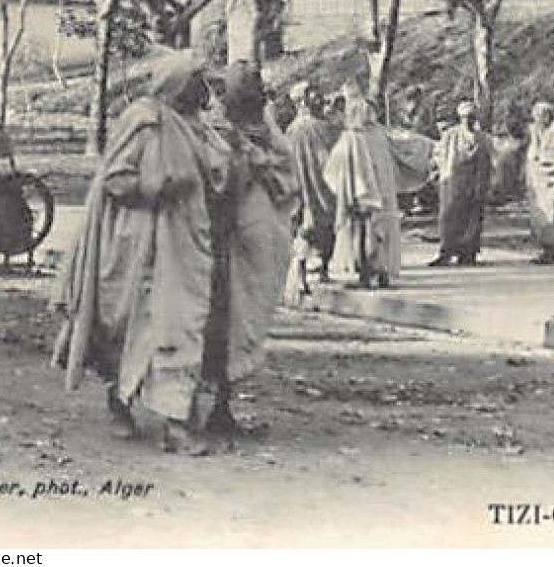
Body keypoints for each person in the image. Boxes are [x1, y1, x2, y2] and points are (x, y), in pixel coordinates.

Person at [50, 51, 232, 455]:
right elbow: (115, 178)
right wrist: (160, 186)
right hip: (146, 245)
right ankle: (162, 419)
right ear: (179, 82)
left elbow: (216, 173)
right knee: (156, 327)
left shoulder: (196, 126)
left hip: (189, 243)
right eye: (198, 81)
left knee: (183, 325)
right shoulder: (144, 119)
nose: (204, 90)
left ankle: (171, 415)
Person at [204, 62, 300, 436]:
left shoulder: (269, 135)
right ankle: (210, 403)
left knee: (239, 316)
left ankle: (221, 403)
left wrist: (255, 159)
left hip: (251, 238)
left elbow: (288, 182)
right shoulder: (215, 131)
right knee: (215, 318)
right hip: (217, 238)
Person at [323, 91, 405, 287]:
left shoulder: (352, 136)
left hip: (361, 193)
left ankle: (366, 275)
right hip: (383, 193)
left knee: (362, 232)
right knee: (381, 231)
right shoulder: (380, 134)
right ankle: (382, 272)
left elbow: (334, 168)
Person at [284, 81, 340, 298]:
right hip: (308, 185)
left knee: (325, 226)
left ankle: (322, 269)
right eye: (311, 94)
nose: (318, 98)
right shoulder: (300, 128)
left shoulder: (324, 126)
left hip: (323, 183)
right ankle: (301, 271)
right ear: (302, 101)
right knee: (308, 227)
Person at [432, 101, 493, 266]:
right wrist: (440, 173)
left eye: (471, 117)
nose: (468, 121)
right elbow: (438, 156)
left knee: (473, 217)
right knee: (449, 217)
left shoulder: (483, 138)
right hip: (453, 182)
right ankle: (446, 252)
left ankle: (468, 252)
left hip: (474, 182)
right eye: (465, 118)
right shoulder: (450, 135)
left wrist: (483, 184)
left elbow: (487, 162)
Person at [524, 102, 554, 264]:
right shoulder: (535, 134)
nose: (539, 120)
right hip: (539, 185)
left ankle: (551, 251)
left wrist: (544, 160)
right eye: (536, 116)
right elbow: (531, 156)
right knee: (540, 217)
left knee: (552, 216)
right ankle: (544, 250)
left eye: (542, 116)